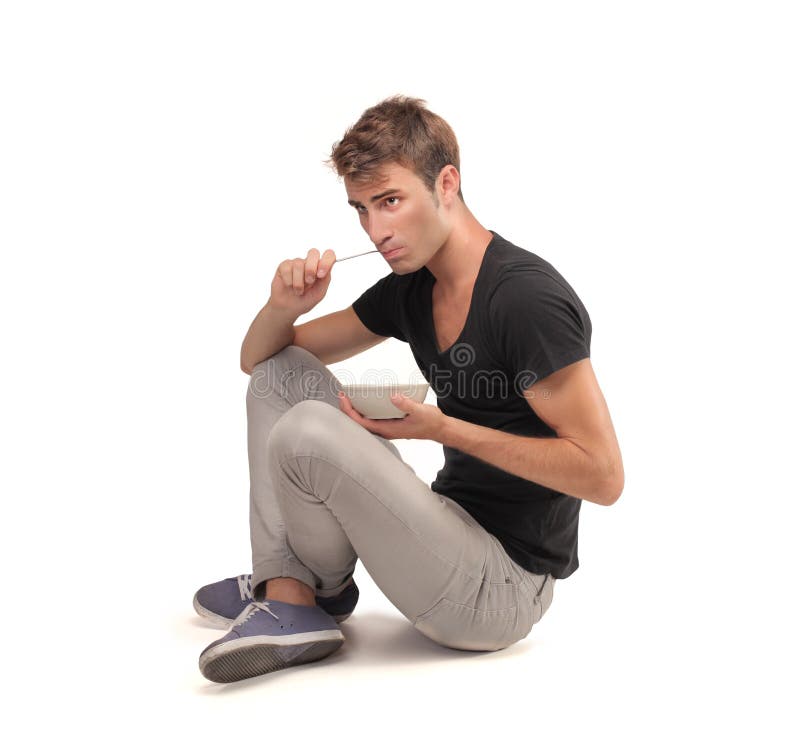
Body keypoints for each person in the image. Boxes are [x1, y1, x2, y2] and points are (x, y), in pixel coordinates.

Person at [194, 95, 624, 683]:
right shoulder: (412, 287)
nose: (376, 230)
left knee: (309, 428)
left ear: (446, 184)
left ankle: (299, 597)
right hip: (446, 531)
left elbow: (603, 476)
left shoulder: (526, 300)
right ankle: (293, 591)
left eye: (390, 201)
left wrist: (445, 431)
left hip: (501, 589)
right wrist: (282, 306)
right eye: (362, 209)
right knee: (281, 379)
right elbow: (261, 361)